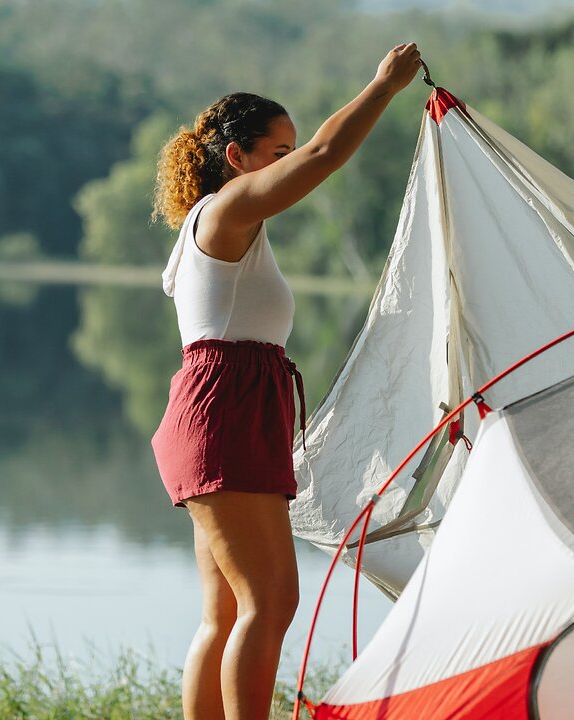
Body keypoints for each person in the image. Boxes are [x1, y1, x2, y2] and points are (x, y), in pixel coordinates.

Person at [150, 43, 423, 720]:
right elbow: (325, 157)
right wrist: (383, 88)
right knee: (271, 601)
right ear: (236, 156)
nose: (288, 162)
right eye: (277, 151)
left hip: (227, 411)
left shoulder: (224, 225)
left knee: (228, 612)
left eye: (288, 150)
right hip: (224, 414)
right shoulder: (225, 212)